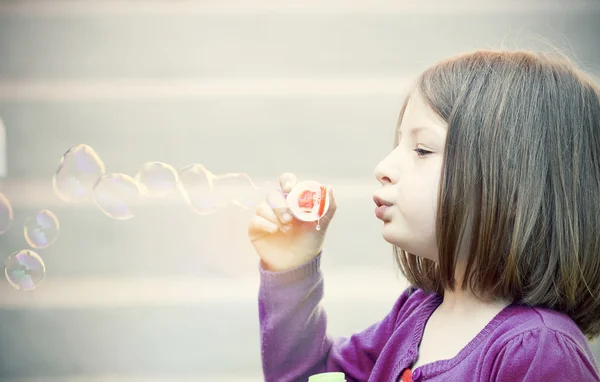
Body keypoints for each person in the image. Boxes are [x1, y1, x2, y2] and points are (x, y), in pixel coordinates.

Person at [248, 50, 600, 381]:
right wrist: (291, 268)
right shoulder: (417, 311)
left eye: (421, 149)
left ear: (515, 181)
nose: (383, 167)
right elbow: (307, 375)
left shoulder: (541, 351)